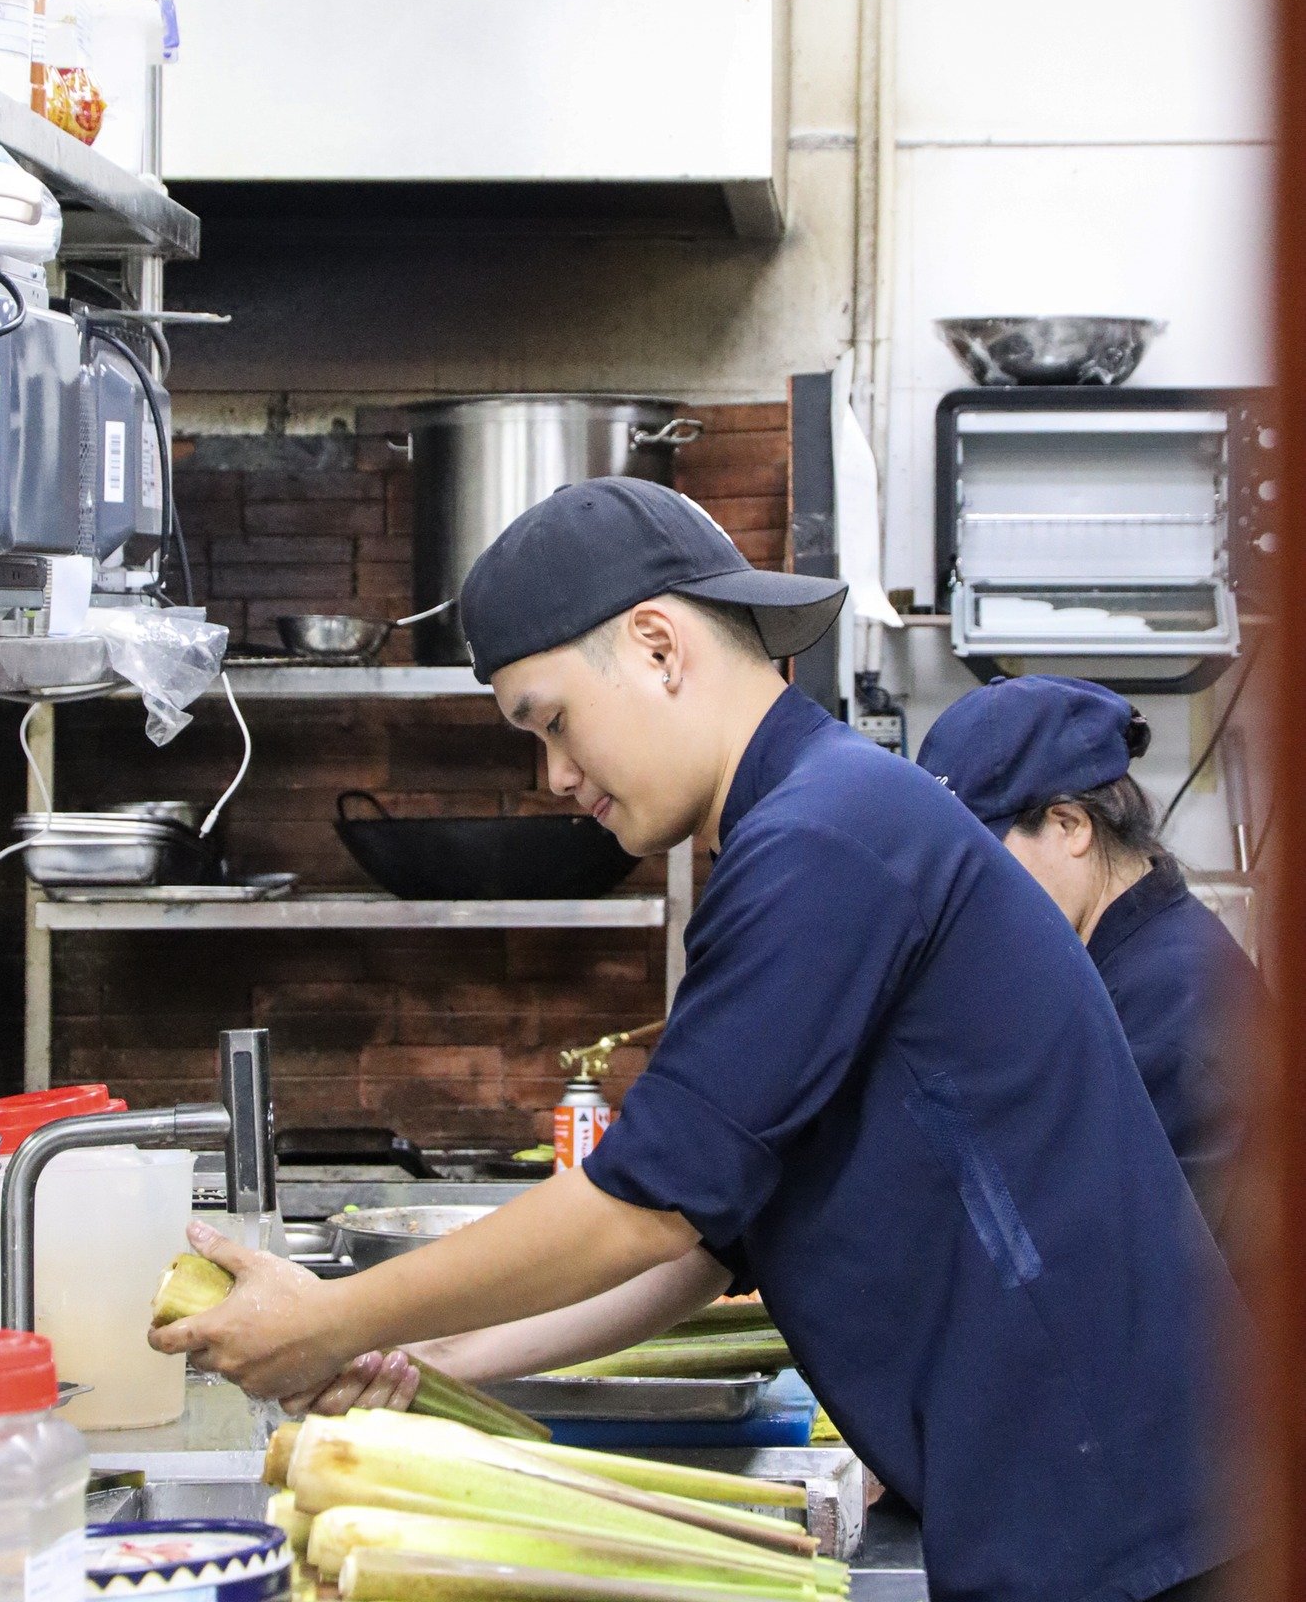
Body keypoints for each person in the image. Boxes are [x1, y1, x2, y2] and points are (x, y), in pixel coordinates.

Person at [151, 480, 1253, 1602]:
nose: (556, 777)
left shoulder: (829, 835)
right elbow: (703, 1243)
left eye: (551, 720)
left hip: (1131, 1526)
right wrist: (430, 1359)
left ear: (659, 645)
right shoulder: (814, 825)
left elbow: (645, 1204)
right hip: (1098, 1515)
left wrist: (332, 1315)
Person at [915, 673, 1267, 1282]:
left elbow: (1125, 1284)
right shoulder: (1111, 963)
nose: (968, 899)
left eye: (983, 863)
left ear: (1070, 825)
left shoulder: (1170, 1012)